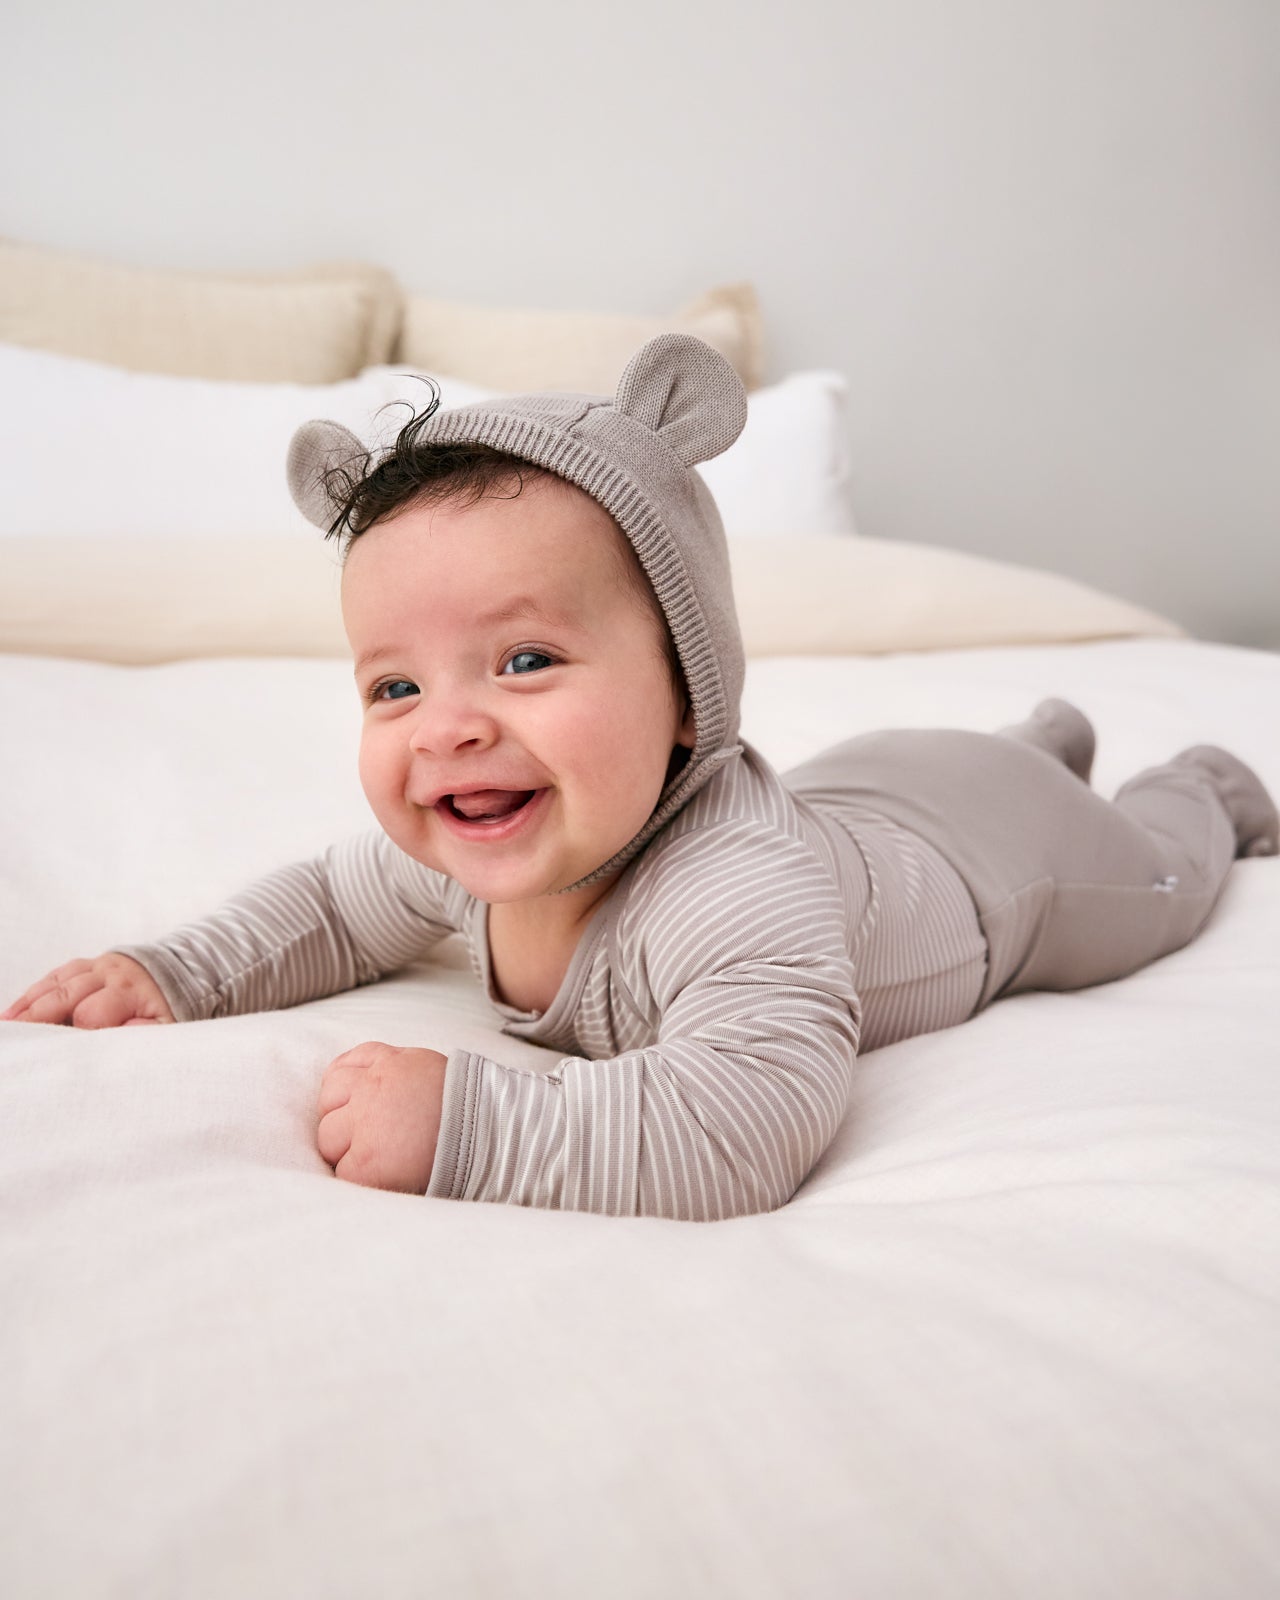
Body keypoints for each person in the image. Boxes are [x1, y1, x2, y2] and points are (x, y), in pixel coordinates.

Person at [4, 335, 1276, 1221]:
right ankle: (1034, 737)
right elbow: (330, 907)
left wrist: (473, 1129)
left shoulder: (733, 892)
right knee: (960, 768)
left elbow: (739, 1123)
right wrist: (177, 972)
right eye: (394, 685)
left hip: (1000, 867)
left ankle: (1191, 784)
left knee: (1149, 873)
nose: (445, 729)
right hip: (869, 789)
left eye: (523, 657)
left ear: (687, 694)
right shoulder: (474, 840)